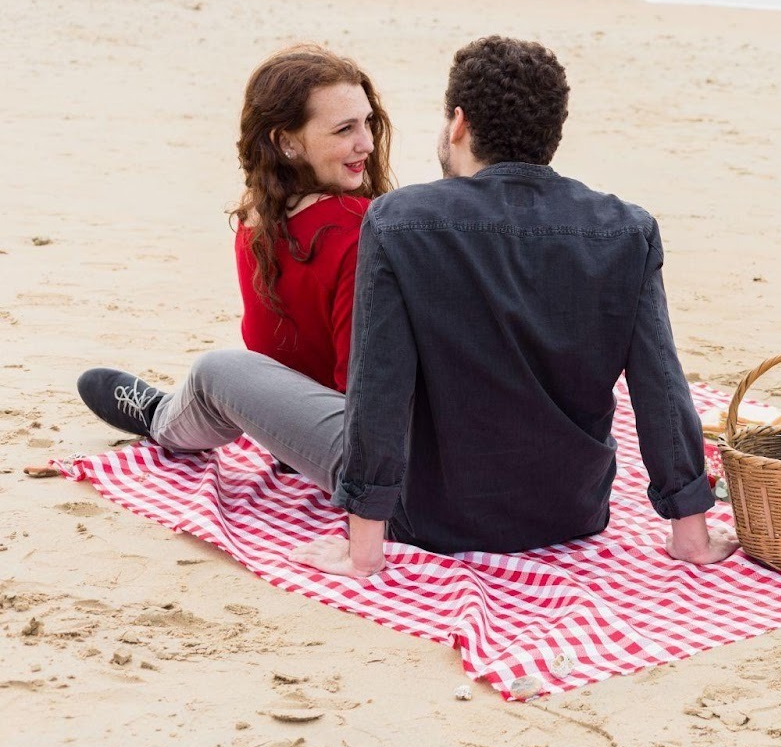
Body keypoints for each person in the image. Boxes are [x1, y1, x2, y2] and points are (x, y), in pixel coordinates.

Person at [77, 36, 737, 573]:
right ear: (553, 132)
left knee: (222, 368)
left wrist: (363, 549)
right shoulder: (628, 229)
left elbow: (379, 384)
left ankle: (169, 419)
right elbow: (660, 387)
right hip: (572, 510)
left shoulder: (398, 221)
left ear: (459, 123)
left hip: (431, 515)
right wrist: (690, 534)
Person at [78, 43, 394, 473]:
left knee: (219, 372)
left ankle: (161, 416)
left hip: (338, 439)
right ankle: (166, 414)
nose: (367, 143)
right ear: (287, 143)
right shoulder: (336, 225)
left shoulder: (264, 214)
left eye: (367, 123)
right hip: (328, 431)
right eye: (344, 130)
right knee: (224, 372)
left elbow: (358, 381)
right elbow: (326, 366)